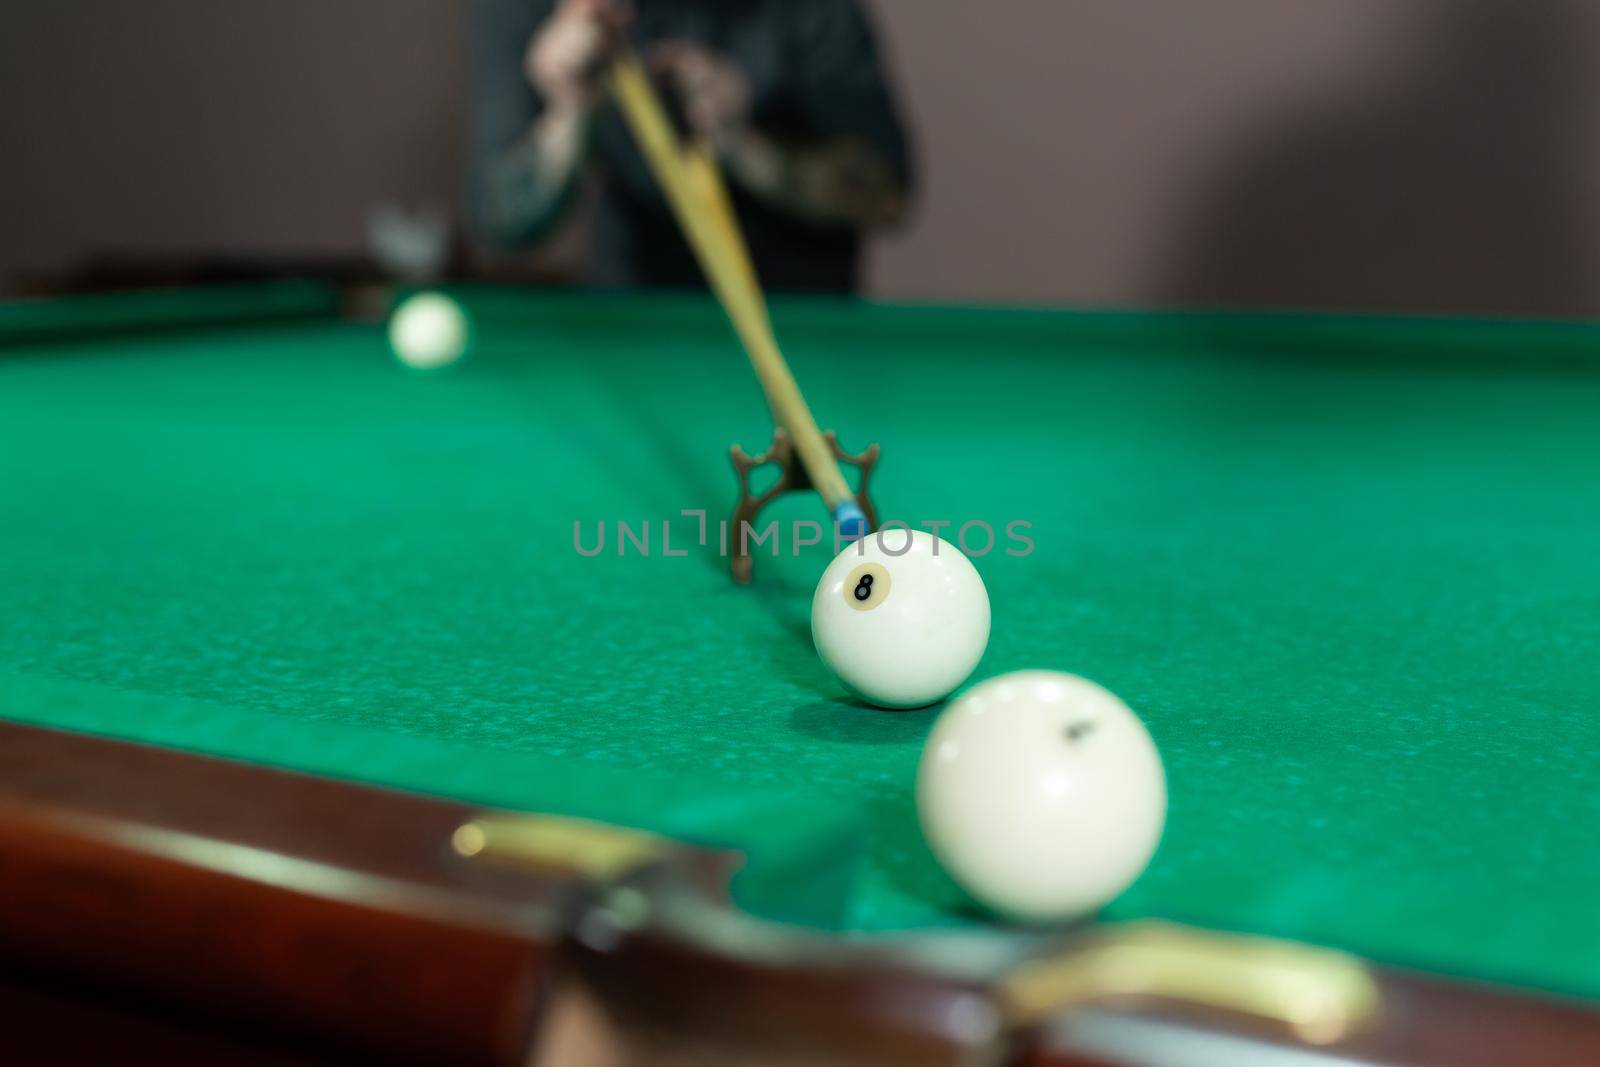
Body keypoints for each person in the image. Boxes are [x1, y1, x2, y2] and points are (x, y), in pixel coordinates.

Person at [473, 0, 913, 292]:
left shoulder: (805, 8)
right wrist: (569, 112)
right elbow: (501, 225)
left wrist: (743, 146)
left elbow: (888, 198)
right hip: (632, 321)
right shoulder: (541, 7)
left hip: (804, 325)